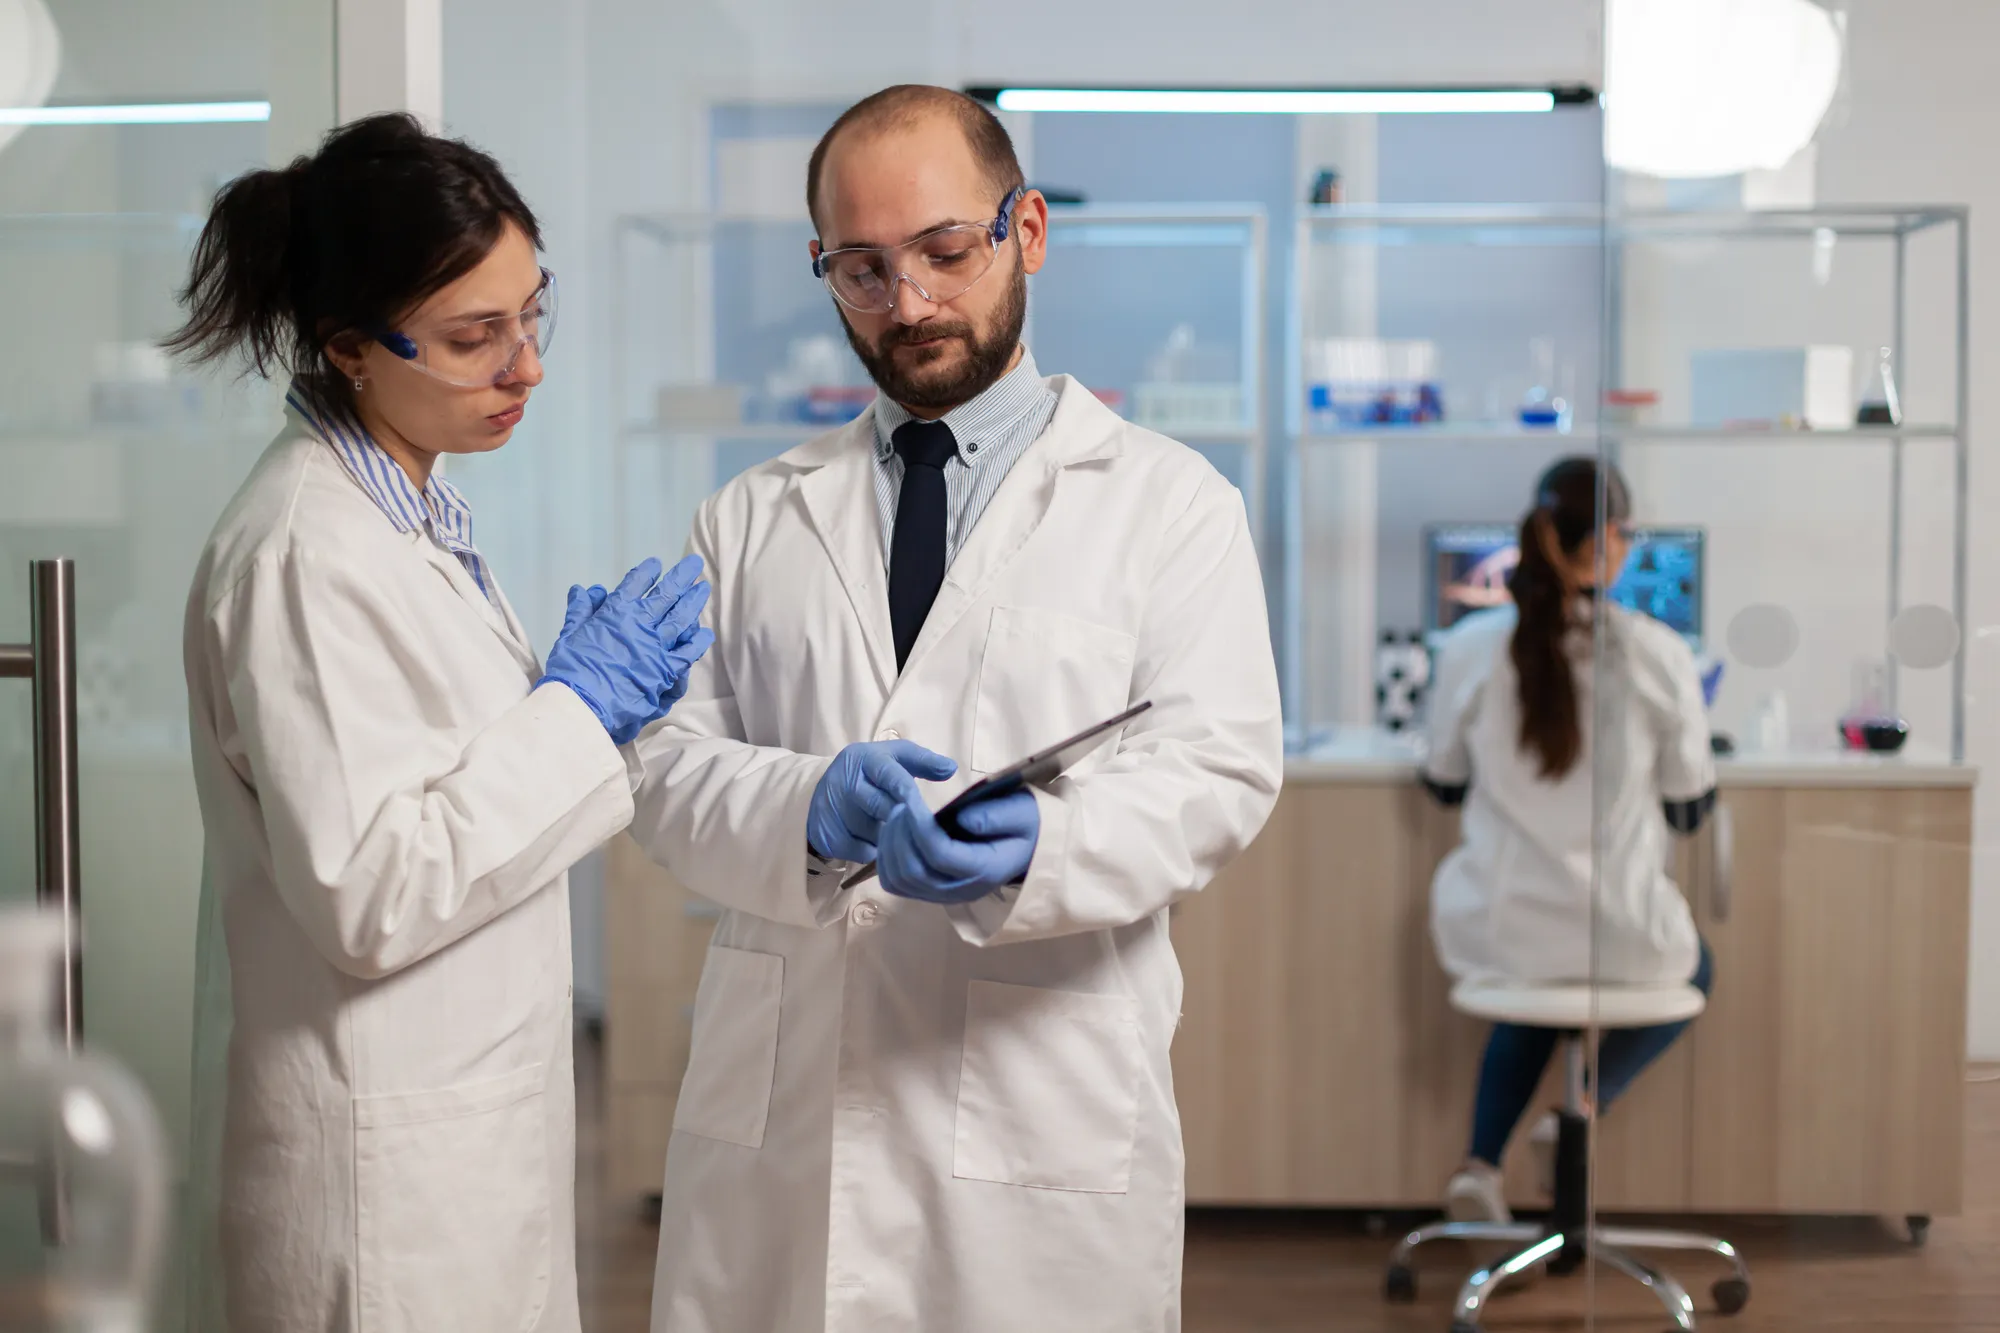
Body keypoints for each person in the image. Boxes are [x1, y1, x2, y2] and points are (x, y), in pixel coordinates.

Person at [627, 85, 1283, 1332]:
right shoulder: (752, 515)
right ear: (819, 268)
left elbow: (1220, 766)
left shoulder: (1166, 505)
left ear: (1024, 229)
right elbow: (662, 770)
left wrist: (1051, 844)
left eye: (943, 251)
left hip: (1039, 1107)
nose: (909, 303)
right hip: (789, 1119)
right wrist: (804, 806)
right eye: (861, 269)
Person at [170, 113, 712, 1333]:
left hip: (449, 1143)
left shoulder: (409, 511)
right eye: (476, 337)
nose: (524, 366)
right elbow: (372, 891)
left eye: (533, 313)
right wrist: (578, 711)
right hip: (378, 1189)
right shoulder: (306, 552)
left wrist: (569, 710)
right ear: (349, 347)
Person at [1421, 456, 1718, 1228]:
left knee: (1534, 999)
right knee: (1692, 966)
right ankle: (1579, 1113)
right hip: (1621, 931)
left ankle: (1482, 1165)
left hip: (1504, 925)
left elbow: (1443, 782)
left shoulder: (1471, 648)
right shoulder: (1658, 652)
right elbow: (1690, 810)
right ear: (1613, 541)